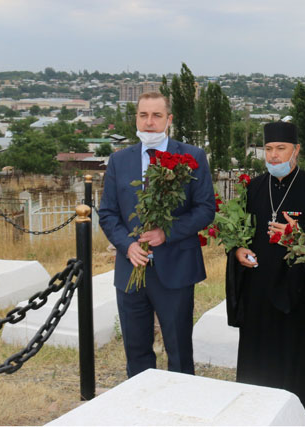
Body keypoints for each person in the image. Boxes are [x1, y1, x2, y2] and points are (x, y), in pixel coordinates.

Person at [99, 91, 215, 377]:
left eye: (156, 115)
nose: (149, 122)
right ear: (136, 118)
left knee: (178, 349)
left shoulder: (192, 157)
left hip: (175, 267)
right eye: (143, 115)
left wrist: (167, 232)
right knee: (136, 349)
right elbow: (108, 213)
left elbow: (205, 209)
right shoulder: (119, 161)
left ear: (168, 119)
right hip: (131, 269)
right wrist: (127, 246)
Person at [225, 121, 305, 419]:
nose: (274, 156)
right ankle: (252, 417)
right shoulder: (253, 187)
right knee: (255, 363)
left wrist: (299, 236)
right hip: (257, 291)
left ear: (296, 151)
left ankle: (294, 419)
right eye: (268, 149)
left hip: (296, 295)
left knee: (292, 365)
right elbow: (239, 235)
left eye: (281, 149)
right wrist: (237, 251)